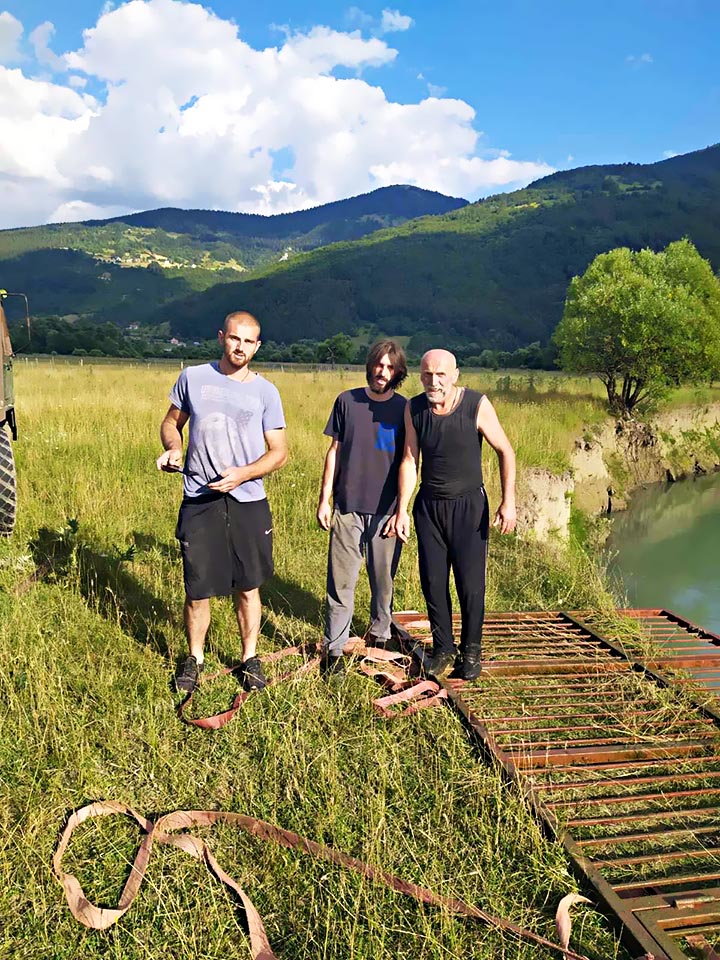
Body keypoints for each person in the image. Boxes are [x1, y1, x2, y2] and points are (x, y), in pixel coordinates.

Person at [157, 311, 288, 694]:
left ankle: (249, 657)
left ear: (257, 346)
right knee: (198, 587)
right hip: (200, 499)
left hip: (248, 502)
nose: (240, 347)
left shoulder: (266, 392)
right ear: (221, 337)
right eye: (234, 338)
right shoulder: (193, 378)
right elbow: (170, 423)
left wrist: (243, 474)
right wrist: (174, 448)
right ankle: (194, 658)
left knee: (248, 586)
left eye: (248, 341)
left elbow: (279, 452)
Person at [389, 348, 516, 681]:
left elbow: (505, 450)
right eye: (427, 375)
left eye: (441, 375)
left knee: (470, 584)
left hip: (469, 507)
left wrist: (509, 502)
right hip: (429, 508)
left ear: (455, 375)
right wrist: (402, 509)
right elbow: (409, 460)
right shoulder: (414, 408)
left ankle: (471, 651)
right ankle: (443, 648)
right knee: (432, 581)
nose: (434, 382)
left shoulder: (476, 405)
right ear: (420, 376)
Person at [317, 340, 408, 673]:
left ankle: (380, 637)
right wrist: (324, 499)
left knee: (383, 581)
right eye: (378, 365)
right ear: (370, 366)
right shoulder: (347, 401)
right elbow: (334, 452)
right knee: (341, 582)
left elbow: (410, 461)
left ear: (397, 372)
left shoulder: (404, 409)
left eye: (390, 367)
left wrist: (402, 510)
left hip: (387, 511)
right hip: (347, 507)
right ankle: (334, 650)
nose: (382, 372)